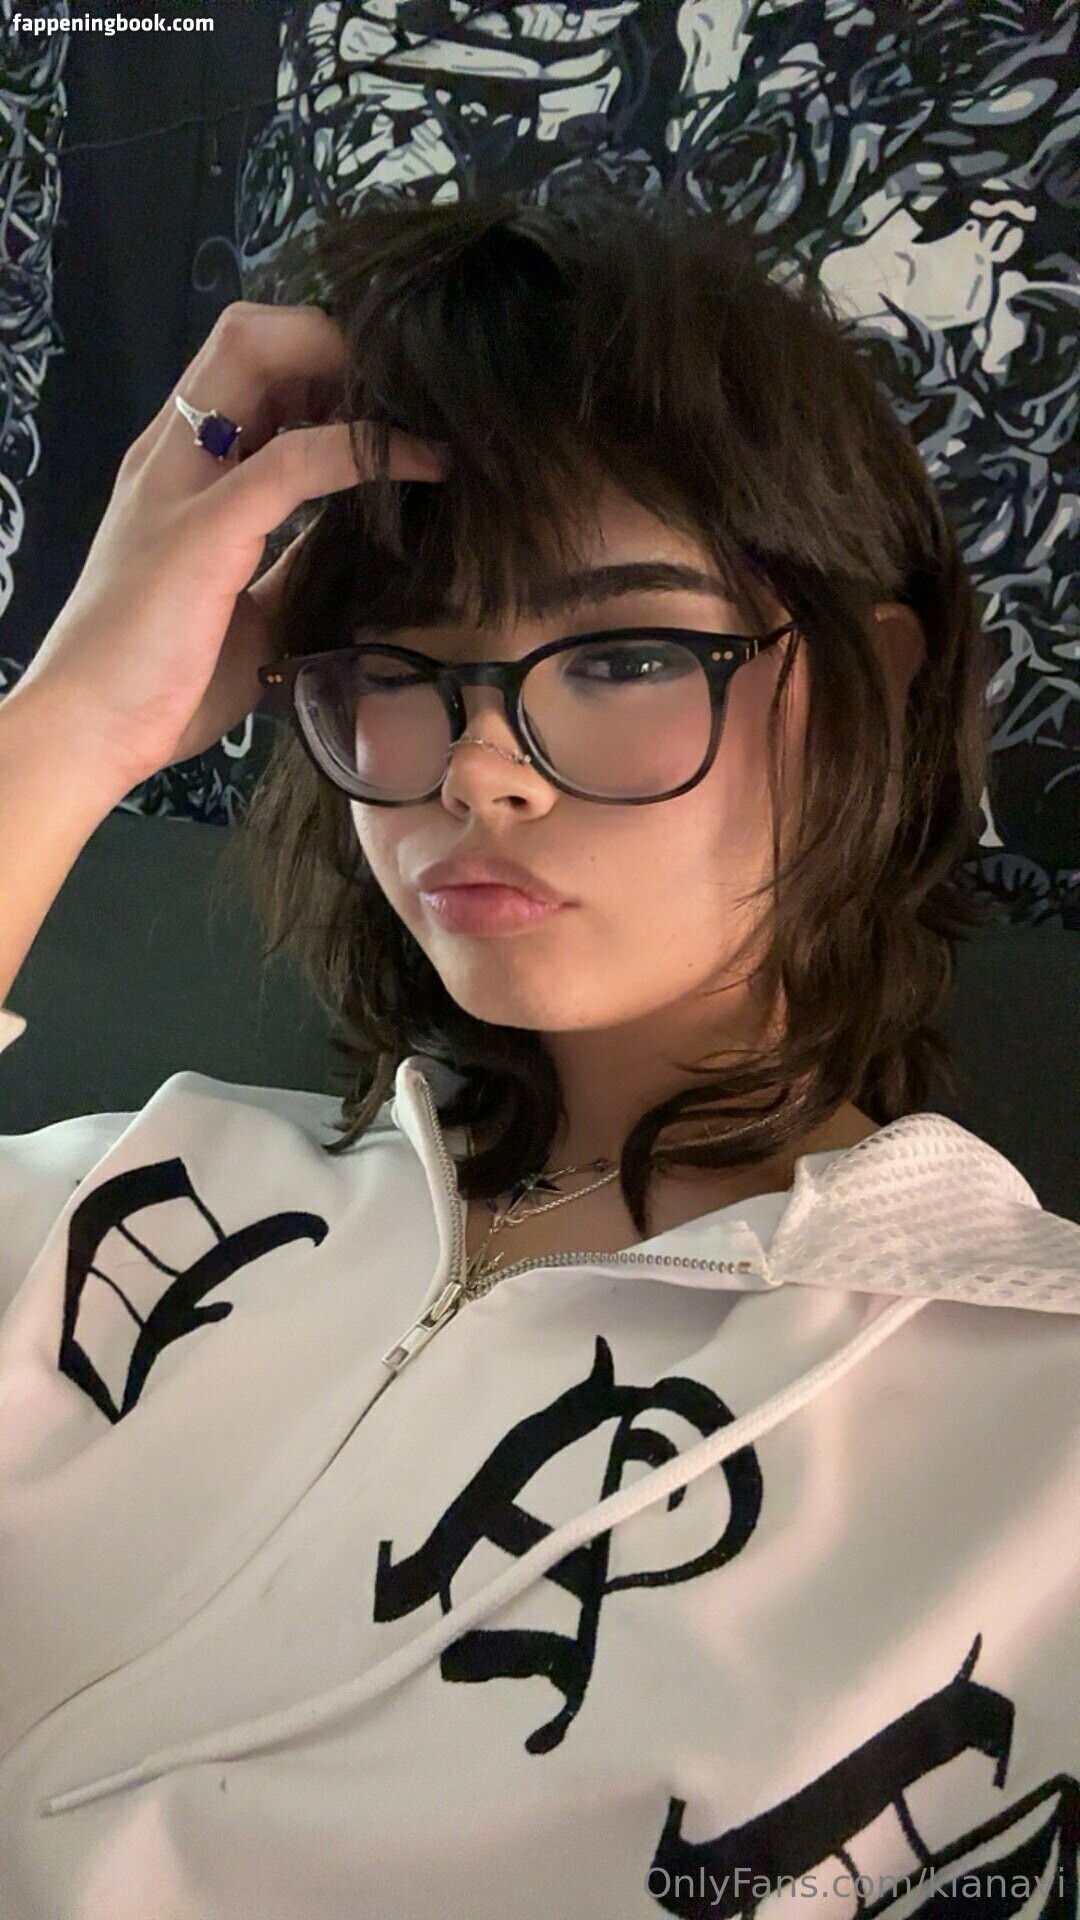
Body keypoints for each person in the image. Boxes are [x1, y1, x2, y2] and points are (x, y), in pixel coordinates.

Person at [0, 186, 1076, 1920]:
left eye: (627, 653)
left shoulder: (1034, 1438)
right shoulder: (126, 1200)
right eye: (391, 667)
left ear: (864, 690)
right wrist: (67, 731)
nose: (476, 770)